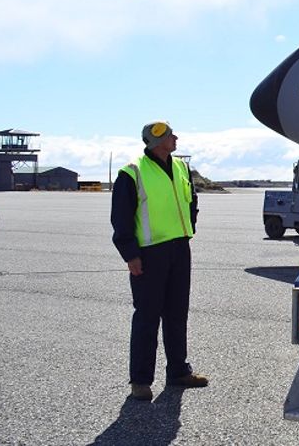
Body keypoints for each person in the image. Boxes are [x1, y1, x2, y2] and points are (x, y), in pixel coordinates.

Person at [111, 121, 208, 401]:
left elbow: (191, 201)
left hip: (179, 248)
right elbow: (120, 216)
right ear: (157, 141)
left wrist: (190, 225)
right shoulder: (133, 172)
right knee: (147, 317)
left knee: (177, 313)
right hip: (149, 253)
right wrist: (130, 254)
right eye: (170, 135)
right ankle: (140, 381)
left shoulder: (180, 167)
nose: (175, 138)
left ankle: (178, 371)